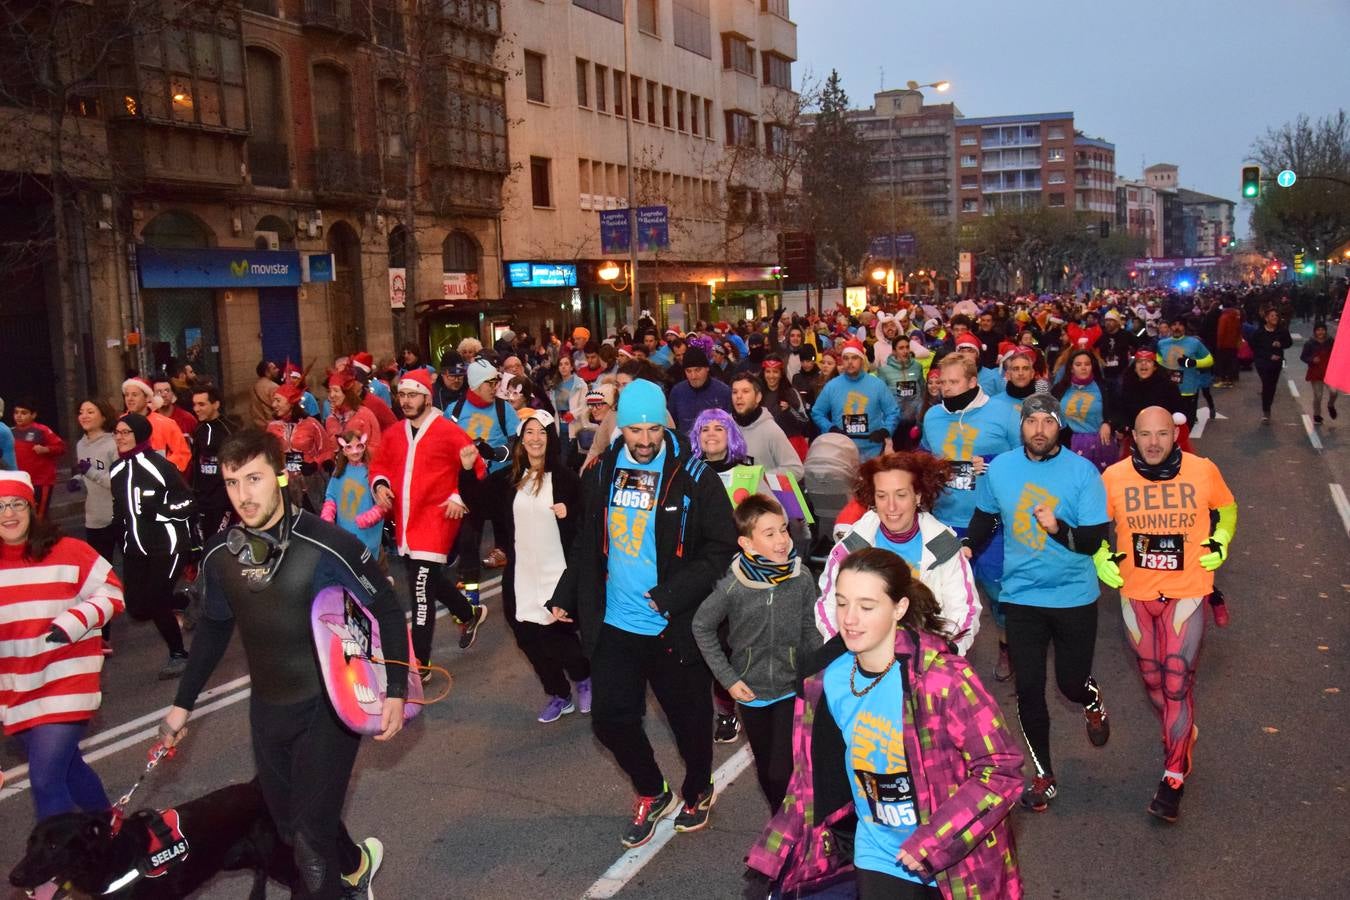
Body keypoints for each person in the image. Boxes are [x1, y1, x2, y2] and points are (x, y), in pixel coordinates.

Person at [161, 429, 406, 899]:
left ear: (279, 476)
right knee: (292, 827)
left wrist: (395, 688)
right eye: (232, 483)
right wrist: (181, 706)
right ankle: (356, 867)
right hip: (269, 712)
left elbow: (388, 611)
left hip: (328, 709)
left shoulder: (329, 544)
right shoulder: (221, 555)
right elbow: (213, 630)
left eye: (253, 480)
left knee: (310, 845)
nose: (242, 496)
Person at [747, 547, 1023, 899]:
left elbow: (1001, 770)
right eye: (842, 603)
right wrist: (771, 858)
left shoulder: (943, 679)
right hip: (878, 854)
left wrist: (935, 840)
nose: (849, 619)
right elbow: (807, 785)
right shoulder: (826, 680)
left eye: (866, 606)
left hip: (954, 860)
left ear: (899, 608)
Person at [547, 379, 738, 847]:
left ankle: (698, 788)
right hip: (616, 623)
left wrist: (673, 593)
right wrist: (566, 594)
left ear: (666, 425)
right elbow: (587, 544)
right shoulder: (602, 472)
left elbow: (721, 547)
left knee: (690, 723)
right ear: (620, 428)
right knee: (610, 720)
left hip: (675, 625)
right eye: (635, 430)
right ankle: (654, 792)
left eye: (654, 428)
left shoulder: (694, 476)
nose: (646, 439)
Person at [965, 394, 1111, 812]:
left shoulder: (1083, 473)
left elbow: (1093, 541)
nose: (1040, 430)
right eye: (1032, 422)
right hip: (1022, 596)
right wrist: (969, 545)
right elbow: (987, 516)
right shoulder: (1002, 470)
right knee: (1028, 691)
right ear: (1022, 428)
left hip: (1074, 597)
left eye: (1048, 421)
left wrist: (1057, 527)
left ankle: (1091, 699)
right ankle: (1043, 774)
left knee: (1069, 683)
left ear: (1059, 426)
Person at [1098, 406, 1236, 822]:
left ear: (1175, 435)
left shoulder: (1202, 470)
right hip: (1136, 592)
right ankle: (1182, 731)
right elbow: (1092, 527)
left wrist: (1220, 539)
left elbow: (1226, 508)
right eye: (1145, 434)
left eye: (1162, 433)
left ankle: (1173, 774)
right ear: (1133, 437)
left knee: (1177, 680)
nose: (1154, 442)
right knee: (1154, 682)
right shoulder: (1114, 477)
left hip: (1187, 590)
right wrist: (1100, 556)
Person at [0, 470, 124, 826]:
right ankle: (111, 831)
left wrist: (72, 622)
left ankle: (54, 872)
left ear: (32, 507)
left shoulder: (68, 551)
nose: (9, 513)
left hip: (66, 680)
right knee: (69, 768)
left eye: (17, 504)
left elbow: (112, 592)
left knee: (44, 779)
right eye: (0, 506)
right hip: (16, 688)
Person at [691, 494, 820, 814]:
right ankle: (783, 822)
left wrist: (818, 673)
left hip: (792, 687)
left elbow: (809, 629)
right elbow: (702, 627)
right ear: (747, 544)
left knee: (783, 768)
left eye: (784, 530)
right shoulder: (734, 585)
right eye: (770, 533)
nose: (781, 541)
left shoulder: (801, 577)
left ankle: (797, 826)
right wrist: (729, 680)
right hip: (751, 691)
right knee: (766, 770)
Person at [461, 411, 591, 724]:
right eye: (529, 432)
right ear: (521, 440)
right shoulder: (510, 478)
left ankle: (583, 678)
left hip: (556, 572)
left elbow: (587, 519)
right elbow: (478, 502)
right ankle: (559, 694)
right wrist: (466, 471)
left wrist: (568, 512)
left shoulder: (566, 479)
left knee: (558, 637)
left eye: (542, 433)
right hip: (521, 574)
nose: (535, 439)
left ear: (551, 439)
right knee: (527, 637)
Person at [371, 369, 487, 667]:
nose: (405, 401)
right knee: (428, 581)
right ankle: (468, 613)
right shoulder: (394, 432)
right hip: (407, 524)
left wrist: (459, 497)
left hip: (438, 521)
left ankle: (419, 664)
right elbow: (380, 465)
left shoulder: (448, 431)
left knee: (420, 594)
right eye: (402, 395)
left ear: (426, 396)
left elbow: (478, 468)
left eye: (412, 395)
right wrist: (380, 485)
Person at [815, 450, 981, 653]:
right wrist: (846, 651)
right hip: (862, 656)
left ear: (917, 496)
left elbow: (964, 610)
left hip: (926, 658)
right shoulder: (851, 547)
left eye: (901, 495)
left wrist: (938, 655)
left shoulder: (943, 547)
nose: (891, 506)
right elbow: (829, 604)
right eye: (882, 496)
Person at [920, 354, 1021, 681]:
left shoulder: (1003, 413)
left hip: (991, 522)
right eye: (942, 383)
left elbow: (1026, 458)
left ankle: (1008, 647)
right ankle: (949, 662)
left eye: (953, 382)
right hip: (945, 521)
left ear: (973, 382)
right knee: (943, 597)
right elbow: (925, 454)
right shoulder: (933, 417)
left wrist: (994, 463)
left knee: (998, 594)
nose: (946, 389)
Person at [110, 413, 195, 678]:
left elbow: (188, 502)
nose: (120, 437)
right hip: (135, 549)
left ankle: (179, 654)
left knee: (157, 601)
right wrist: (120, 536)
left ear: (139, 435)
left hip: (168, 545)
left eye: (126, 432)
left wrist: (160, 509)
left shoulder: (159, 465)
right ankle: (183, 598)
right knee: (136, 607)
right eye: (117, 432)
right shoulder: (116, 470)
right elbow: (120, 509)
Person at [446, 359, 520, 601]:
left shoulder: (503, 408)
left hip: (499, 479)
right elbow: (442, 448)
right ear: (476, 385)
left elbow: (517, 444)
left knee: (509, 531)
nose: (495, 387)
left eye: (497, 381)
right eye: (491, 382)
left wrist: (495, 452)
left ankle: (514, 580)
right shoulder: (454, 411)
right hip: (470, 480)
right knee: (469, 534)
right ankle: (469, 588)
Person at [72, 399, 120, 651]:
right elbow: (86, 473)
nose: (84, 415)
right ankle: (103, 636)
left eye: (91, 411)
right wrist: (77, 479)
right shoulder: (81, 444)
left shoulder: (113, 443)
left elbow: (117, 482)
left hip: (117, 517)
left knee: (136, 574)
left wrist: (89, 473)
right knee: (100, 579)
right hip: (95, 518)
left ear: (104, 416)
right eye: (81, 412)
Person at [811, 339, 898, 462]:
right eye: (846, 358)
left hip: (873, 452)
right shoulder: (832, 386)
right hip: (842, 452)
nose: (850, 362)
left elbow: (893, 412)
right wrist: (830, 428)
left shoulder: (877, 384)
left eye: (854, 358)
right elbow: (817, 412)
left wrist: (885, 430)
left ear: (862, 360)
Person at [321, 430, 386, 560]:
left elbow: (384, 501)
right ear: (343, 451)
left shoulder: (372, 471)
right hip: (346, 534)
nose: (355, 452)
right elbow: (331, 496)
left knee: (373, 571)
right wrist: (328, 515)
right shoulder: (339, 472)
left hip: (368, 536)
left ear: (364, 447)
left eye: (359, 446)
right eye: (349, 447)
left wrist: (370, 517)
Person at [267, 383, 331, 512]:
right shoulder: (271, 428)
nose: (274, 405)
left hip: (311, 483)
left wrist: (315, 464)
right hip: (284, 484)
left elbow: (328, 451)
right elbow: (268, 456)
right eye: (273, 400)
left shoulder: (312, 424)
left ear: (290, 403)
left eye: (278, 400)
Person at [729, 372, 804, 480]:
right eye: (734, 392)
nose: (739, 396)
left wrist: (760, 478)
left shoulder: (771, 430)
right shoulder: (725, 426)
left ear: (758, 397)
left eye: (745, 391)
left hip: (761, 494)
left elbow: (796, 469)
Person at [1053, 349, 1117, 472]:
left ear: (1092, 367)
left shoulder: (1104, 387)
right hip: (1067, 447)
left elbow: (1117, 411)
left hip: (1100, 447)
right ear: (1071, 368)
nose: (1083, 368)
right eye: (1078, 364)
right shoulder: (1059, 389)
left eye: (1087, 364)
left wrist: (1108, 423)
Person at [190, 383, 235, 538]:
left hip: (223, 502)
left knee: (221, 544)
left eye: (201, 404)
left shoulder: (230, 430)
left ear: (216, 404)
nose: (196, 409)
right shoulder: (198, 430)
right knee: (205, 545)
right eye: (194, 404)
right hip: (202, 501)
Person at [11, 399, 66, 519]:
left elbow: (61, 447)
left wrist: (46, 449)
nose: (19, 416)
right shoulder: (11, 433)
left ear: (33, 415)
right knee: (24, 515)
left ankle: (43, 537)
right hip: (21, 482)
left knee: (39, 516)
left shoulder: (42, 430)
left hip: (41, 482)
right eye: (16, 412)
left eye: (24, 413)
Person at [122, 376, 190, 473]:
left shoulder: (166, 423)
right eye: (127, 395)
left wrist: (162, 470)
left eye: (135, 394)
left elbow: (182, 453)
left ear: (147, 397)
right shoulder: (120, 423)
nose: (130, 399)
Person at [1155, 316, 1214, 426]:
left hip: (1188, 390)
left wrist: (1194, 363)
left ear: (1185, 328)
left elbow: (1209, 360)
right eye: (1174, 324)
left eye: (1180, 325)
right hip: (1168, 390)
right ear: (1169, 327)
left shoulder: (1194, 343)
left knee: (1187, 424)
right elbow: (1158, 358)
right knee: (1168, 424)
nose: (1177, 327)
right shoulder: (1162, 343)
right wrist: (1161, 368)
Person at [667, 346, 733, 436]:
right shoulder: (677, 392)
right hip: (686, 447)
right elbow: (671, 427)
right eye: (688, 371)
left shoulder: (724, 392)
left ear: (707, 368)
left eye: (697, 370)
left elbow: (731, 427)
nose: (693, 376)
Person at [1248, 306, 1294, 423]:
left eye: (1276, 316)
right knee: (1266, 384)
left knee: (1272, 386)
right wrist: (1269, 356)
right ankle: (1266, 411)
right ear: (1266, 318)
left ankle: (1268, 405)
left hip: (1276, 363)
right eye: (1272, 316)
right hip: (1262, 362)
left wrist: (1281, 344)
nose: (1275, 318)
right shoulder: (1259, 332)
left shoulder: (1281, 330)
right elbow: (1255, 347)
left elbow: (1289, 342)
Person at [323, 370, 382, 460]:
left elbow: (373, 447)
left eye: (336, 390)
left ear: (347, 393)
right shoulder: (331, 420)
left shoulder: (364, 415)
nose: (331, 395)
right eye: (329, 391)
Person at [1301, 322, 1338, 425]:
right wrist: (1312, 359)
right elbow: (1303, 357)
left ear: (1325, 331)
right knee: (1318, 395)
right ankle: (1317, 415)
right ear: (1315, 332)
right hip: (1316, 372)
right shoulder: (1309, 343)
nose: (1320, 332)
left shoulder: (1330, 341)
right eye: (1318, 330)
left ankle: (1330, 405)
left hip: (1329, 372)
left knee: (1334, 392)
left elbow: (1336, 353)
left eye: (1322, 330)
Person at [251, 359, 280, 429]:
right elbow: (279, 408)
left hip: (258, 425)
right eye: (274, 368)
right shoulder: (274, 387)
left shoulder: (254, 386)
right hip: (272, 426)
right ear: (267, 372)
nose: (278, 370)